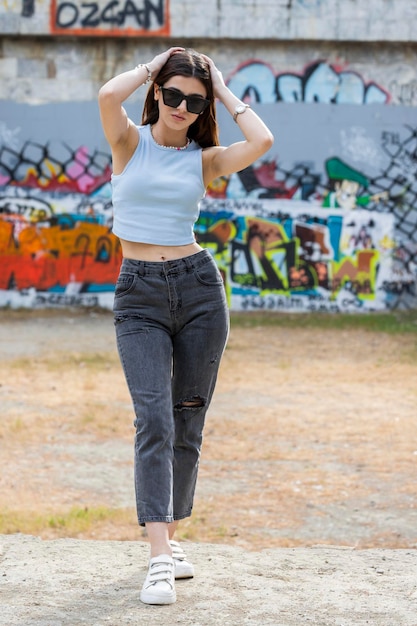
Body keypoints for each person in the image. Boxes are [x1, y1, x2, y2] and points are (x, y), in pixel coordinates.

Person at [98, 46, 273, 606]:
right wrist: (158, 65)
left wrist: (220, 87)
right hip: (139, 296)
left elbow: (262, 142)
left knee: (187, 420)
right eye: (172, 95)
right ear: (156, 94)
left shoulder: (204, 158)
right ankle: (156, 561)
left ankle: (169, 541)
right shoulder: (129, 141)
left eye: (192, 101)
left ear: (202, 108)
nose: (180, 106)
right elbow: (106, 95)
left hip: (199, 291)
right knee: (153, 417)